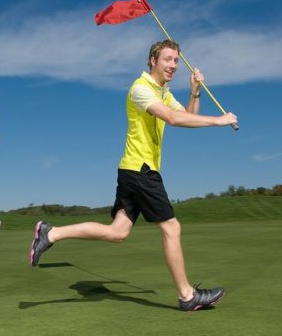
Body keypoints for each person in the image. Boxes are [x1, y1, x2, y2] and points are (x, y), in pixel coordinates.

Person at [29, 39, 238, 312]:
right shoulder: (141, 89)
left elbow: (187, 117)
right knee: (171, 228)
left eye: (176, 60)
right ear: (153, 60)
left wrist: (195, 92)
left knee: (118, 232)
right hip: (141, 171)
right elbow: (172, 119)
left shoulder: (163, 91)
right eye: (167, 59)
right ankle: (187, 295)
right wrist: (219, 120)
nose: (173, 65)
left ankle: (51, 232)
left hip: (133, 170)